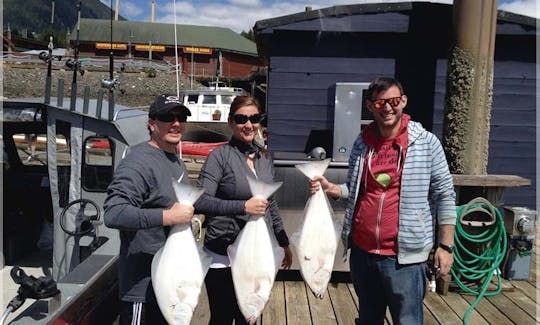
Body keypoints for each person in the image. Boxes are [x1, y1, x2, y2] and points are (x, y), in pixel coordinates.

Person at [310, 77, 456, 324]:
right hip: (362, 254)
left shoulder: (427, 143)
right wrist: (332, 188)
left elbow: (445, 194)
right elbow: (357, 190)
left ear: (404, 102)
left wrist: (445, 246)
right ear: (370, 107)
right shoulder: (362, 143)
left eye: (394, 101)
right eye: (380, 103)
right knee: (368, 319)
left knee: (407, 320)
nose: (388, 108)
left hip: (404, 260)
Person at [194, 95, 293, 324]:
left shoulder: (265, 157)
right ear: (230, 122)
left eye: (254, 118)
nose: (248, 125)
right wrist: (242, 206)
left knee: (249, 317)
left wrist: (283, 241)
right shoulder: (218, 157)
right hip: (223, 254)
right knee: (222, 317)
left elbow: (272, 203)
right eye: (241, 119)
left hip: (257, 252)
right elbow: (200, 201)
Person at [104, 94, 195, 325]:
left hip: (172, 281)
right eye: (167, 117)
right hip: (142, 288)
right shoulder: (138, 162)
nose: (176, 123)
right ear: (151, 123)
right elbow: (114, 213)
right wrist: (168, 216)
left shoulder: (175, 161)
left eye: (181, 117)